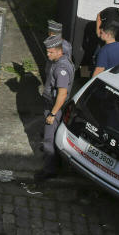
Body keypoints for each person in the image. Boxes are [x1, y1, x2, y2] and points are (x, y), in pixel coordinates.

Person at [36, 34, 74, 182]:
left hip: (54, 107)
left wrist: (52, 114)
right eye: (47, 51)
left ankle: (49, 169)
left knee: (49, 139)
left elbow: (62, 94)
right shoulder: (62, 57)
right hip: (52, 105)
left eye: (51, 52)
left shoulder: (61, 68)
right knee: (49, 135)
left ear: (59, 51)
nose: (48, 54)